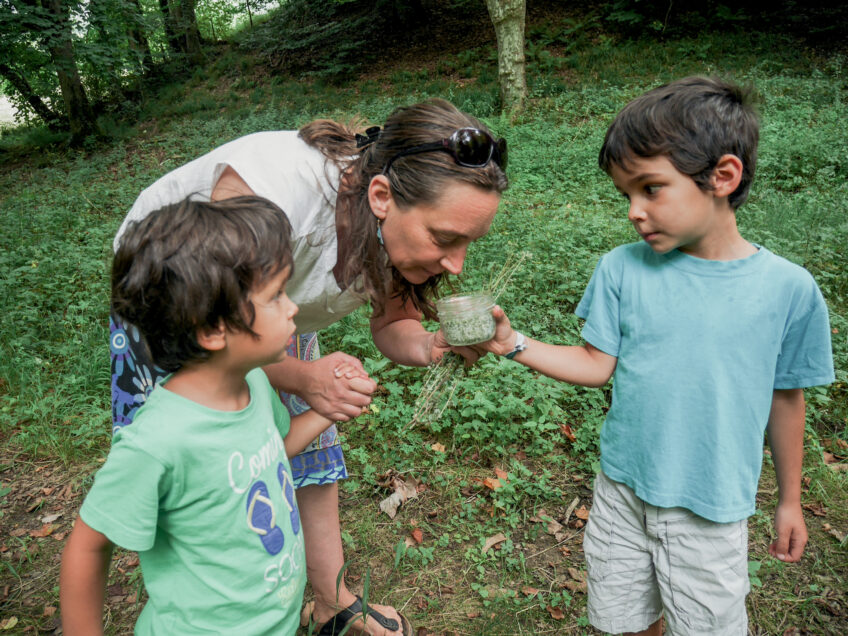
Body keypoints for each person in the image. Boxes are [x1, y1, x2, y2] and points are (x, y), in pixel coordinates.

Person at [109, 98, 508, 635]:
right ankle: (200, 612)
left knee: (300, 445)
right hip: (183, 307)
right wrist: (302, 378)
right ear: (381, 197)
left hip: (264, 310)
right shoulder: (275, 195)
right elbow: (221, 335)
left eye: (467, 243)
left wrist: (436, 343)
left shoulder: (353, 252)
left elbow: (393, 325)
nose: (455, 263)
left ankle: (331, 603)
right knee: (210, 468)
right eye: (444, 239)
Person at [482, 77, 835, 634]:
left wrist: (789, 500)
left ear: (722, 177)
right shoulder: (621, 270)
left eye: (651, 188)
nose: (634, 212)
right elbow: (596, 365)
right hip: (621, 492)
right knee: (624, 622)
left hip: (710, 510)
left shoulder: (788, 290)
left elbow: (786, 394)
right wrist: (513, 344)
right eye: (626, 194)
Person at [61, 196, 344, 634]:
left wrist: (330, 409)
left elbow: (271, 453)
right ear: (213, 329)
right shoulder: (157, 442)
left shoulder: (251, 382)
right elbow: (88, 546)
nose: (292, 309)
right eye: (276, 297)